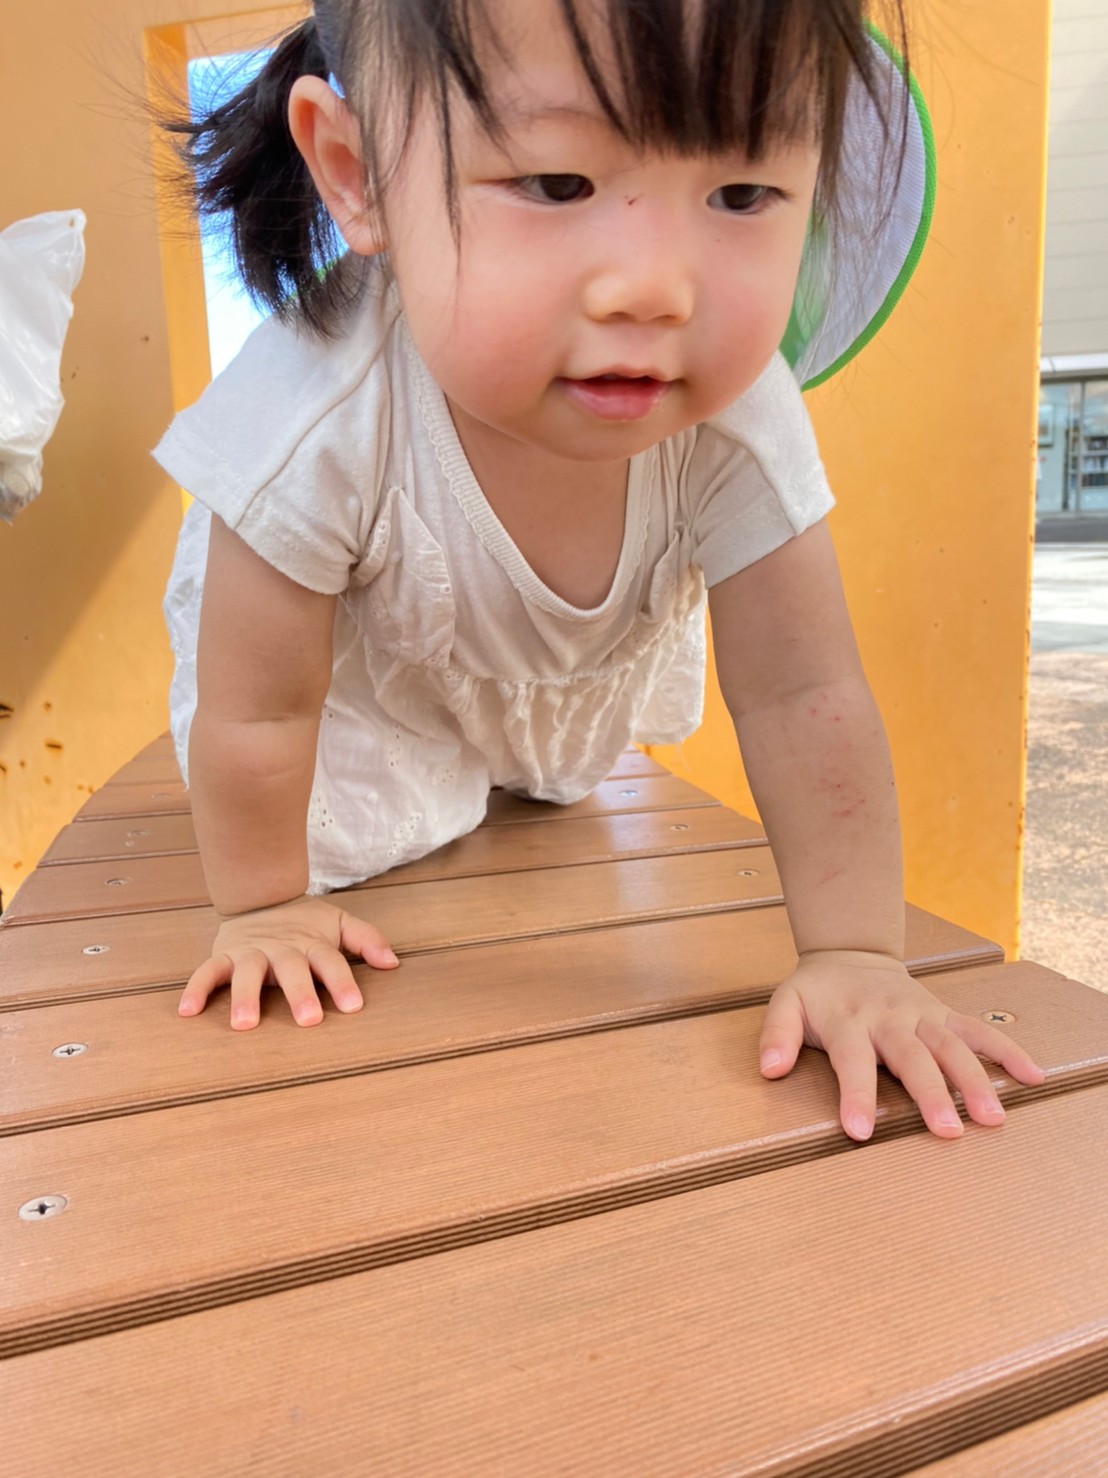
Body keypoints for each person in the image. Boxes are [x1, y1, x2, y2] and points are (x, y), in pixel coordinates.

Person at [156, 0, 1044, 1140]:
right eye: (557, 183)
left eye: (742, 194)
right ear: (356, 171)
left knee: (547, 797)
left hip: (558, 679)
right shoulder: (312, 415)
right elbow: (259, 709)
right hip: (351, 696)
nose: (654, 288)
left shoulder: (737, 416)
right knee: (373, 841)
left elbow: (803, 694)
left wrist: (857, 953)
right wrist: (264, 906)